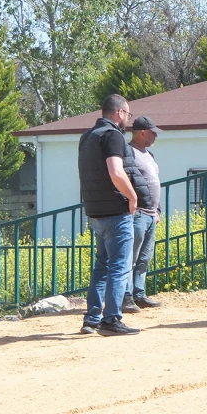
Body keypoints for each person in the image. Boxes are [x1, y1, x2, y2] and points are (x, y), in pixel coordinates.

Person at [78, 94, 140, 336]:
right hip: (115, 211)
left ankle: (92, 319)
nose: (127, 119)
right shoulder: (112, 135)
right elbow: (116, 171)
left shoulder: (87, 136)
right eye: (127, 114)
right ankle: (112, 319)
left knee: (101, 266)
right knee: (119, 266)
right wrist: (132, 197)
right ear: (120, 113)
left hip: (94, 210)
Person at [123, 115, 164, 312]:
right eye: (152, 133)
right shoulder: (128, 153)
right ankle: (126, 296)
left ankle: (139, 294)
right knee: (130, 257)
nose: (155, 136)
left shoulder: (149, 155)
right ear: (141, 133)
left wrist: (157, 210)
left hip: (149, 214)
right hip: (137, 213)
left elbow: (154, 182)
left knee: (145, 257)